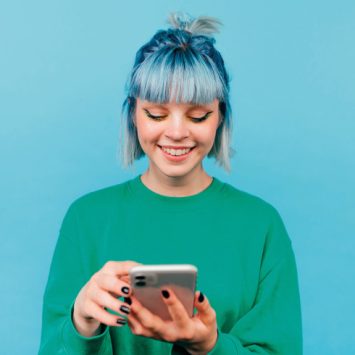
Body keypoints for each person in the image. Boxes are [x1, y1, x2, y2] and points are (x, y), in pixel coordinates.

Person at [39, 12, 302, 355]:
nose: (177, 133)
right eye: (156, 114)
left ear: (221, 116)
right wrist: (82, 324)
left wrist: (210, 344)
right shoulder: (86, 219)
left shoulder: (262, 226)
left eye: (197, 116)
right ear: (133, 114)